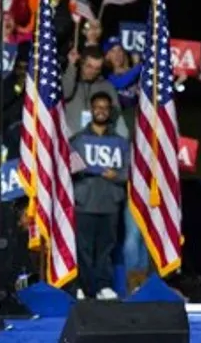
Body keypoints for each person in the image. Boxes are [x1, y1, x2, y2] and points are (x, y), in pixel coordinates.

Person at [70, 92, 129, 300]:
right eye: (98, 107)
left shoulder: (121, 142)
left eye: (105, 107)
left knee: (106, 248)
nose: (101, 111)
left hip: (110, 203)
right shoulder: (77, 140)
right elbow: (68, 170)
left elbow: (128, 173)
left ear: (110, 111)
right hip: (85, 201)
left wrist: (116, 176)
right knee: (83, 248)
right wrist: (81, 170)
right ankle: (85, 287)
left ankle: (104, 285)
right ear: (91, 110)